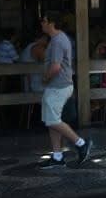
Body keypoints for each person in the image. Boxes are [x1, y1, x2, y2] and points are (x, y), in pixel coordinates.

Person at [38, 11, 92, 169]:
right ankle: (57, 156)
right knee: (52, 121)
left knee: (52, 120)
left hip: (57, 86)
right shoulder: (60, 39)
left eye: (44, 20)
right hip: (61, 85)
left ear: (51, 22)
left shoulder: (57, 41)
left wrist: (45, 78)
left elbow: (55, 66)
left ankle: (81, 144)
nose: (41, 23)